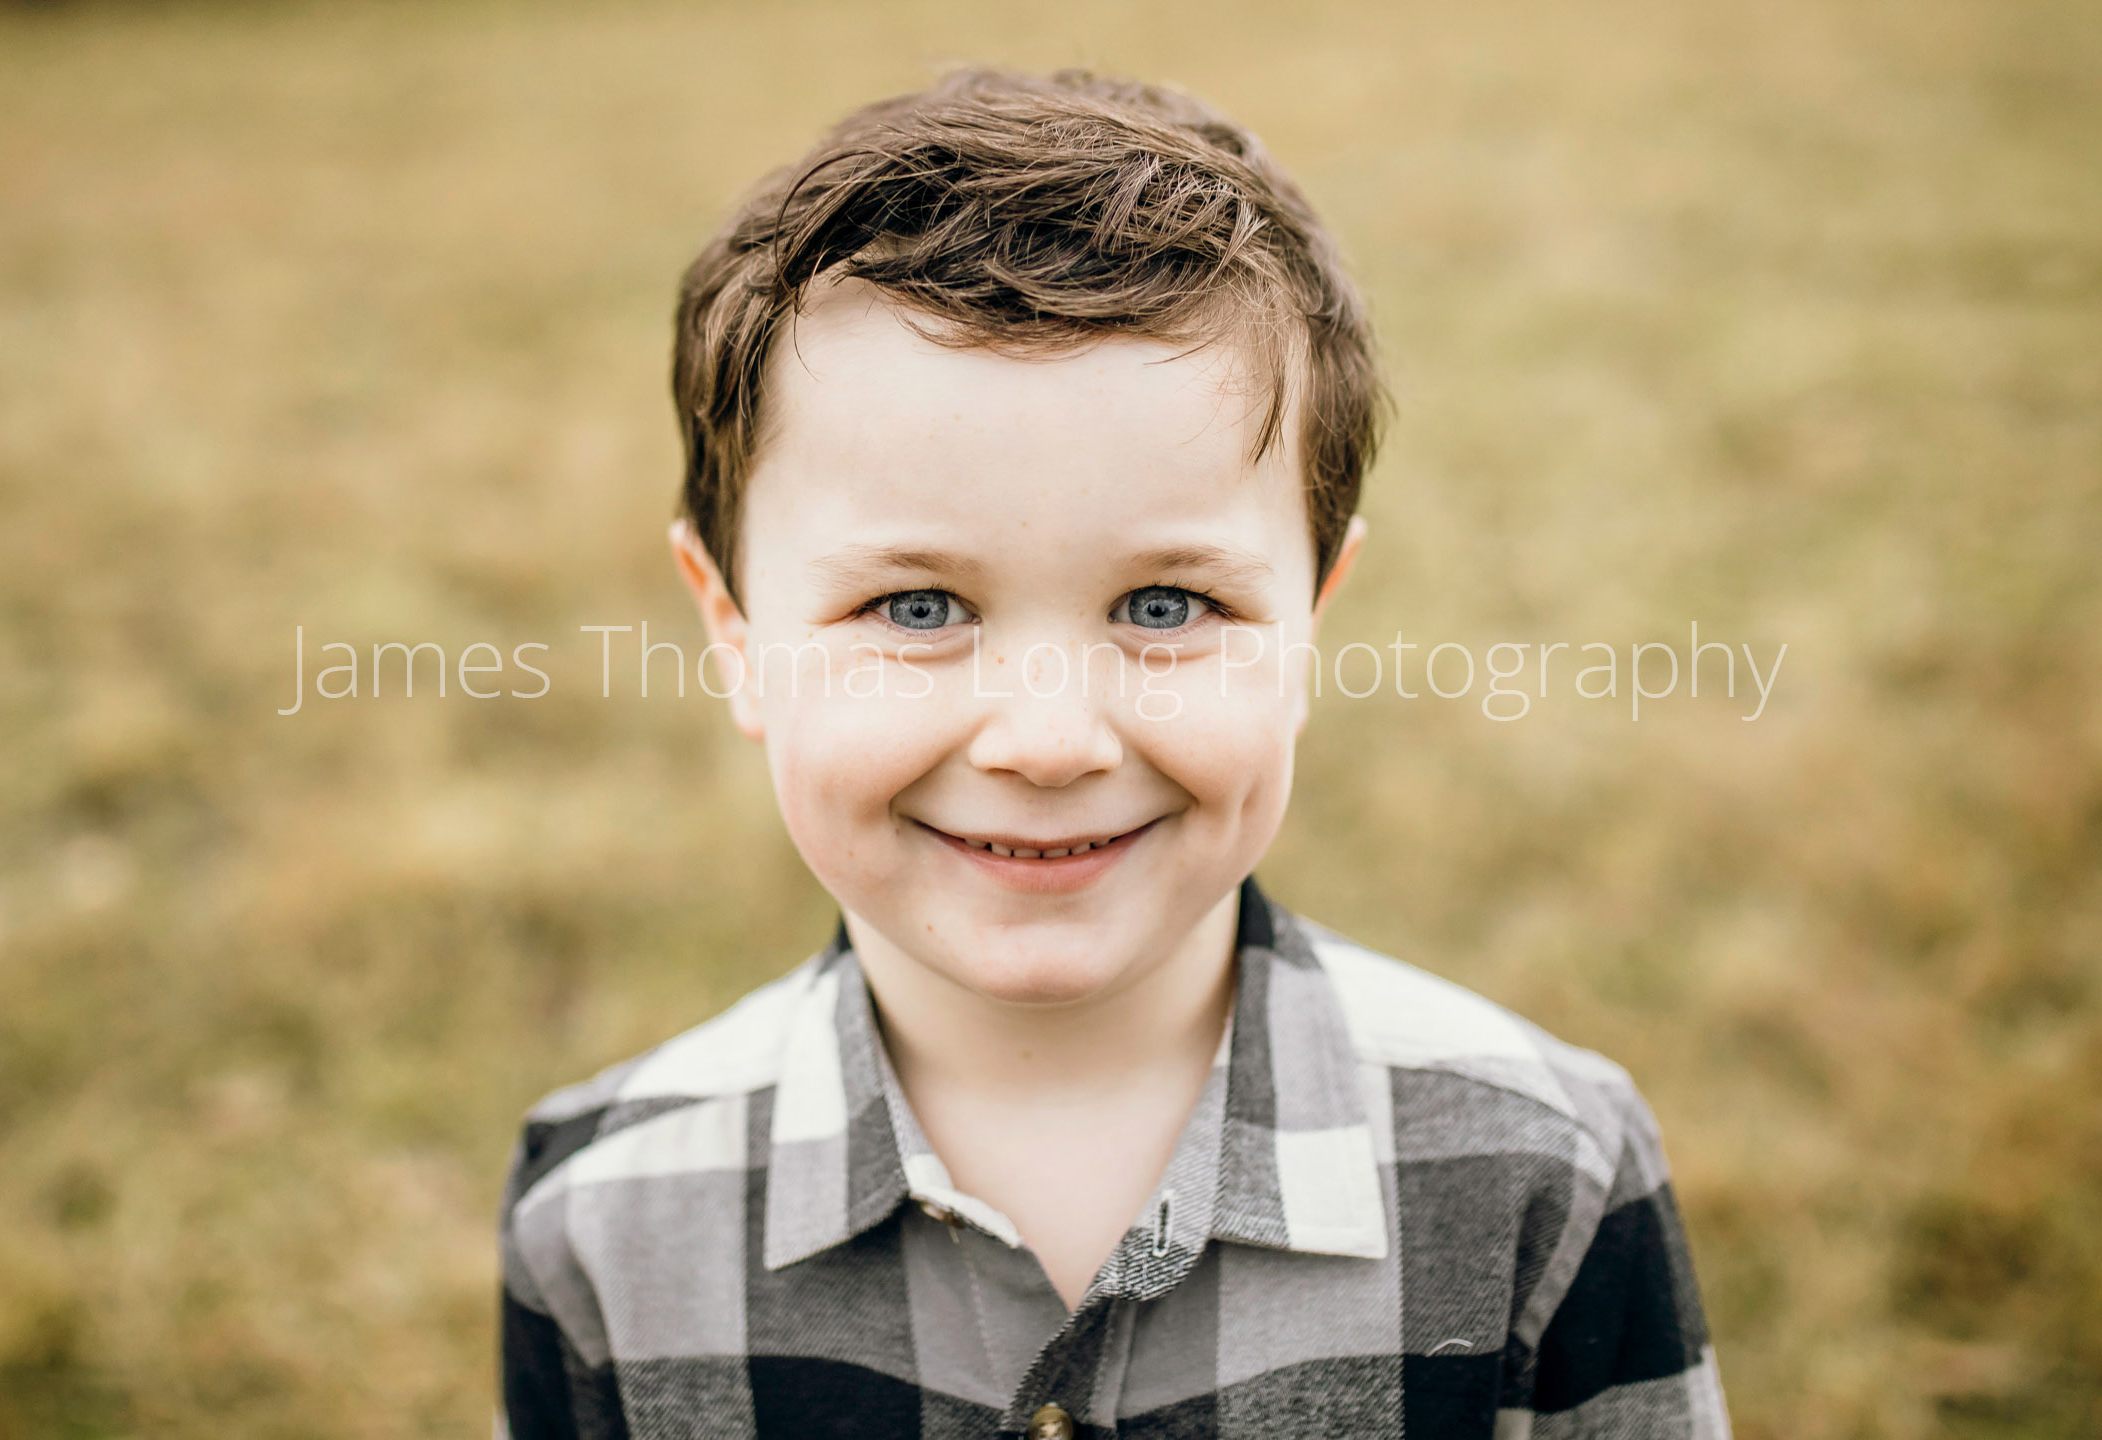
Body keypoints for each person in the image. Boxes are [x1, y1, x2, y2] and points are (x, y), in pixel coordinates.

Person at [496, 65, 1730, 1439]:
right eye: (918, 608)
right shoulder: (602, 1224)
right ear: (732, 632)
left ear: (1312, 622)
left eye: (1164, 607)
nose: (1048, 741)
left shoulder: (1540, 1177)